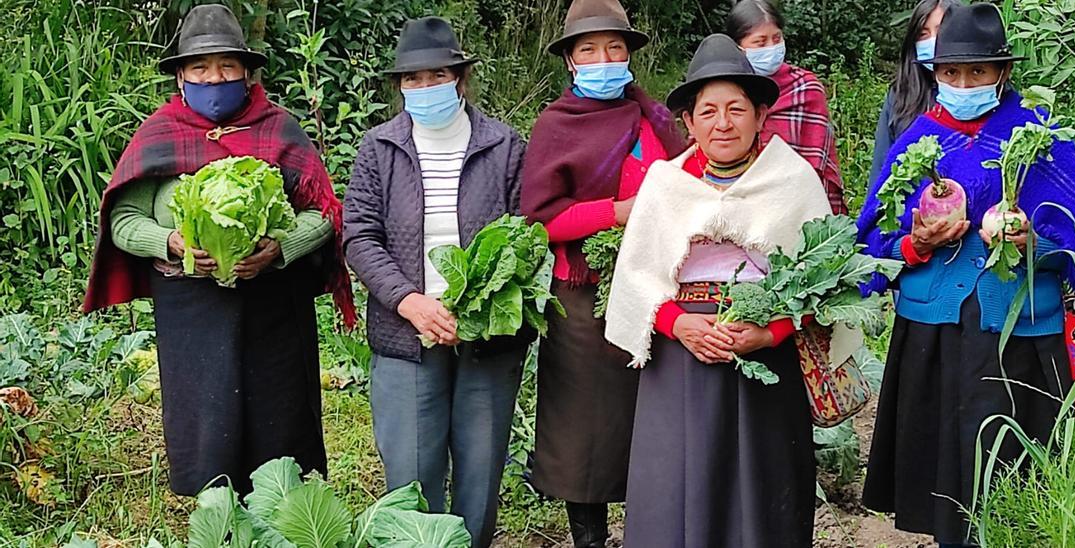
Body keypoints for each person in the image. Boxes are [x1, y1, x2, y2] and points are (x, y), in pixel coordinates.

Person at [854, 4, 1075, 547]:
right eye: (950, 73)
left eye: (977, 72)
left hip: (1019, 328)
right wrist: (918, 240)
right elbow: (875, 242)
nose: (962, 83)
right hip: (937, 328)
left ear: (1002, 72)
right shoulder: (918, 143)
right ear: (935, 74)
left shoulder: (1038, 138)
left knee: (1014, 469)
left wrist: (1033, 243)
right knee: (945, 471)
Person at [83, 4, 354, 496]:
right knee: (206, 419)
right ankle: (216, 512)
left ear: (247, 73)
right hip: (193, 310)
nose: (215, 78)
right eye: (200, 68)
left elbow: (324, 213)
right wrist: (169, 240)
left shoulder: (279, 129)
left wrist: (279, 246)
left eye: (227, 66)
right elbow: (123, 222)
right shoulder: (159, 134)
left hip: (275, 306)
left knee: (282, 414)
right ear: (181, 76)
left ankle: (283, 509)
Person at [603, 34, 827, 548]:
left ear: (760, 115)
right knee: (678, 485)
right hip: (680, 357)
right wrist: (677, 323)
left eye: (735, 109)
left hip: (764, 361)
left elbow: (821, 287)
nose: (721, 123)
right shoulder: (665, 185)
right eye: (707, 112)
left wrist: (768, 334)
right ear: (689, 122)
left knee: (765, 485)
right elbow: (636, 276)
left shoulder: (794, 182)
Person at [342, 17, 527, 548]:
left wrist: (480, 312)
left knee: (480, 466)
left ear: (460, 79)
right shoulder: (379, 148)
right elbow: (359, 236)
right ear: (400, 87)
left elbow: (524, 237)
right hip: (407, 335)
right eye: (413, 80)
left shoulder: (504, 145)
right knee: (411, 469)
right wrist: (408, 301)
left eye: (437, 75)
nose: (425, 89)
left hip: (488, 338)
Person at [519, 0, 687, 545]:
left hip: (660, 290)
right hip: (584, 299)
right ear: (570, 60)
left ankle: (652, 528)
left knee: (653, 421)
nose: (604, 59)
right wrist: (616, 212)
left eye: (615, 48)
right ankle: (589, 537)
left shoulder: (655, 117)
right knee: (583, 429)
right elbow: (540, 218)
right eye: (589, 50)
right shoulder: (556, 125)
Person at [726, 0, 846, 214]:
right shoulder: (725, 93)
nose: (771, 48)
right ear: (739, 48)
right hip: (738, 207)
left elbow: (817, 160)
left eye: (776, 38)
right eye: (760, 43)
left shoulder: (805, 88)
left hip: (800, 205)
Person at [868, 0, 959, 184]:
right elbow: (881, 168)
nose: (933, 40)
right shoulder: (901, 95)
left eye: (941, 31)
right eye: (923, 34)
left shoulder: (980, 95)